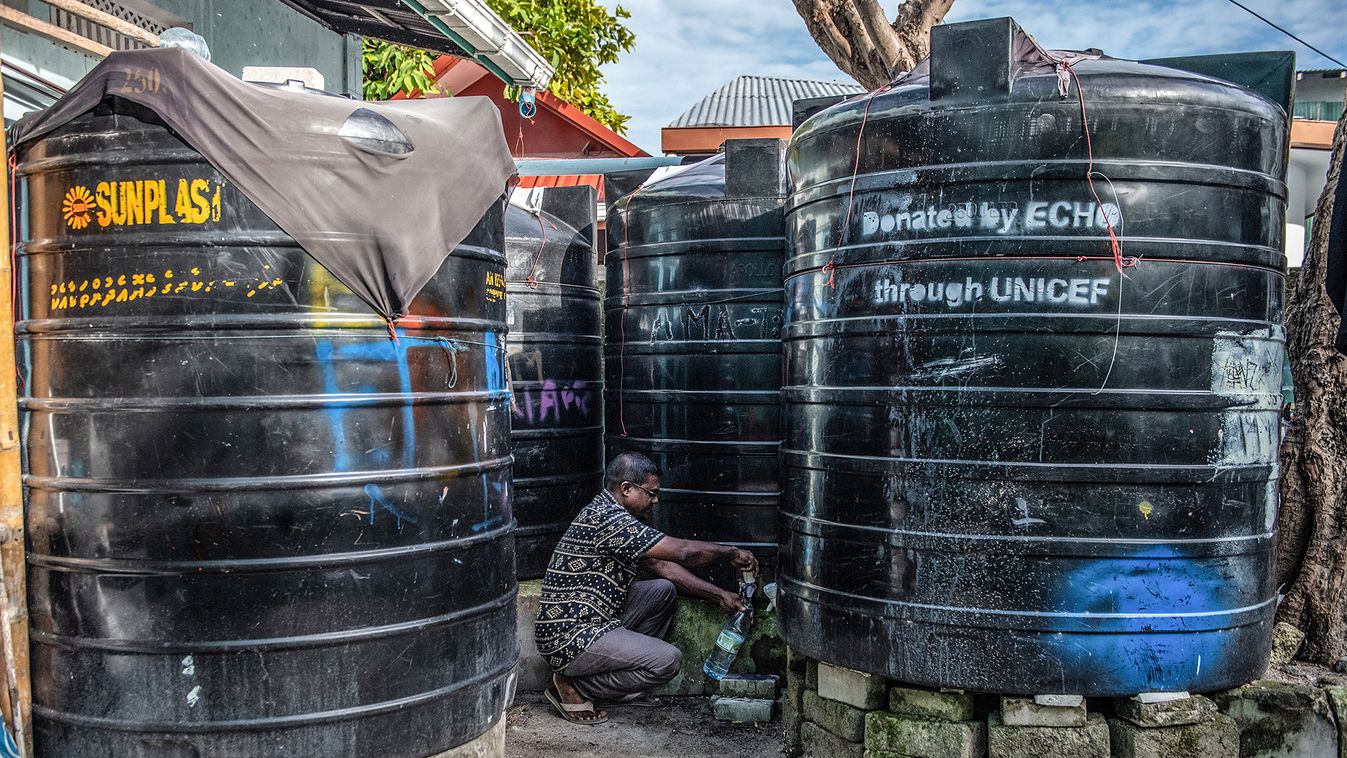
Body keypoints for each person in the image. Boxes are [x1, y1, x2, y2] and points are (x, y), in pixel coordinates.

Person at [535, 452, 758, 724]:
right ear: (626, 489)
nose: (656, 500)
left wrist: (720, 595)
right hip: (570, 635)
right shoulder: (608, 519)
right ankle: (572, 686)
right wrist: (730, 553)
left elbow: (662, 566)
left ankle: (611, 681)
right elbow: (683, 552)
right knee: (668, 661)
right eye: (651, 493)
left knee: (662, 590)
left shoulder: (619, 516)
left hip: (596, 619)